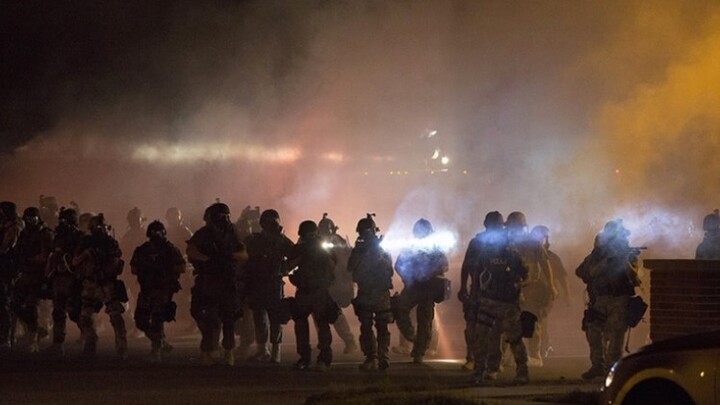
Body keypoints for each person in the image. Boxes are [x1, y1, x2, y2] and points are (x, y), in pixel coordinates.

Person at [576, 219, 642, 379]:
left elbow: (636, 278)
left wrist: (624, 261)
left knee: (616, 335)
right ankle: (597, 366)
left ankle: (613, 370)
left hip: (620, 299)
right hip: (600, 300)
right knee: (593, 332)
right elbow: (586, 272)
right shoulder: (598, 254)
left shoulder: (629, 254)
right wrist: (607, 260)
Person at [468, 220, 530, 385]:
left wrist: (516, 285)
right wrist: (475, 295)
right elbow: (477, 274)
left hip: (507, 303)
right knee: (482, 337)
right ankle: (480, 372)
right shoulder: (486, 254)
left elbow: (526, 275)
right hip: (488, 301)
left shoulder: (513, 255)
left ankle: (522, 372)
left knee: (514, 338)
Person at [187, 202, 247, 366]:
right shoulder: (204, 234)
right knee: (208, 318)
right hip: (209, 280)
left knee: (228, 319)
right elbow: (191, 250)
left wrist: (229, 256)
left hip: (228, 281)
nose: (224, 219)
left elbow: (243, 254)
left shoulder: (233, 233)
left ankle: (228, 352)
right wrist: (208, 259)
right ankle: (208, 351)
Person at [393, 218, 449, 364]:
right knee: (399, 309)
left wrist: (428, 274)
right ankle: (412, 337)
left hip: (428, 288)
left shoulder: (435, 247)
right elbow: (398, 264)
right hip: (413, 286)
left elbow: (444, 265)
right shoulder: (411, 246)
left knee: (425, 321)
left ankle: (419, 352)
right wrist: (408, 276)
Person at [505, 211, 557, 367]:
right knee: (509, 322)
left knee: (532, 322)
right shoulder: (506, 243)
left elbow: (545, 264)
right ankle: (507, 356)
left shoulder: (534, 243)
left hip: (531, 289)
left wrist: (551, 285)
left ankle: (535, 355)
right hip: (511, 288)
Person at [72, 214, 127, 359]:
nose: (100, 230)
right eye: (97, 227)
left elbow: (116, 262)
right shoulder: (86, 243)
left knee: (115, 315)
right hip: (91, 283)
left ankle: (121, 346)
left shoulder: (110, 243)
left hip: (106, 283)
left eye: (102, 227)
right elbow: (74, 262)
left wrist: (104, 269)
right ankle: (90, 343)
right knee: (85, 318)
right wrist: (86, 254)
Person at [243, 209, 295, 363]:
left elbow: (296, 254)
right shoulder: (254, 240)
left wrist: (285, 268)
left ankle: (275, 351)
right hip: (257, 282)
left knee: (275, 318)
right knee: (260, 318)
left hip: (273, 282)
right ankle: (262, 349)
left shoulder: (282, 240)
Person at [131, 220, 185, 362]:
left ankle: (156, 351)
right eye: (154, 232)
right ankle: (160, 342)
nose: (156, 235)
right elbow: (134, 268)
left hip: (163, 289)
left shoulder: (170, 249)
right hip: (147, 289)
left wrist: (165, 269)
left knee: (157, 320)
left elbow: (181, 267)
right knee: (140, 321)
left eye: (159, 232)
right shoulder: (142, 250)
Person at [458, 211, 505, 372]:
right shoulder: (476, 243)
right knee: (472, 327)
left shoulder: (505, 245)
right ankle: (472, 358)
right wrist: (464, 287)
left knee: (495, 330)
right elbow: (466, 266)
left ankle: (493, 363)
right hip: (477, 291)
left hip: (496, 292)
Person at [289, 220, 338, 371]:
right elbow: (289, 265)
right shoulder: (306, 249)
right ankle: (313, 358)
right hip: (307, 290)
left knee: (319, 324)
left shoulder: (322, 248)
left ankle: (319, 358)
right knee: (306, 324)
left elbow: (332, 266)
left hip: (316, 291)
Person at [347, 214, 394, 371]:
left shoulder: (364, 250)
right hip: (378, 293)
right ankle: (381, 357)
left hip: (369, 293)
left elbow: (351, 268)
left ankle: (373, 357)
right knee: (380, 327)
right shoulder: (380, 249)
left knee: (368, 327)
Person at [12, 207, 54, 352]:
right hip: (25, 274)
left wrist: (45, 276)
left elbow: (47, 256)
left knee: (32, 306)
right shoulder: (24, 234)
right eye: (28, 218)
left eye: (33, 218)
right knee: (14, 304)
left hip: (38, 275)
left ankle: (33, 338)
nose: (30, 221)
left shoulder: (45, 234)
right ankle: (34, 329)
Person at [45, 207, 84, 356]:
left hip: (73, 278)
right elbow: (54, 255)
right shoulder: (58, 237)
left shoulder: (79, 237)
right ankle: (58, 344)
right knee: (58, 311)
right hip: (59, 278)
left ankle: (87, 336)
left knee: (75, 311)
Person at [318, 213, 358, 355]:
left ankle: (349, 341)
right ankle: (324, 342)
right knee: (320, 314)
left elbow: (345, 264)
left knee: (335, 314)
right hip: (324, 283)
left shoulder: (337, 242)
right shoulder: (319, 242)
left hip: (337, 283)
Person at [530, 225, 570, 358]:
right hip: (528, 292)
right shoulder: (526, 253)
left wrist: (567, 294)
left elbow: (562, 277)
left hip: (544, 295)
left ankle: (542, 348)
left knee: (540, 320)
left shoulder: (552, 257)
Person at [0, 202, 22, 351]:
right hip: (4, 268)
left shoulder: (14, 227)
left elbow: (5, 248)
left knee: (4, 303)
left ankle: (6, 337)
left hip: (7, 270)